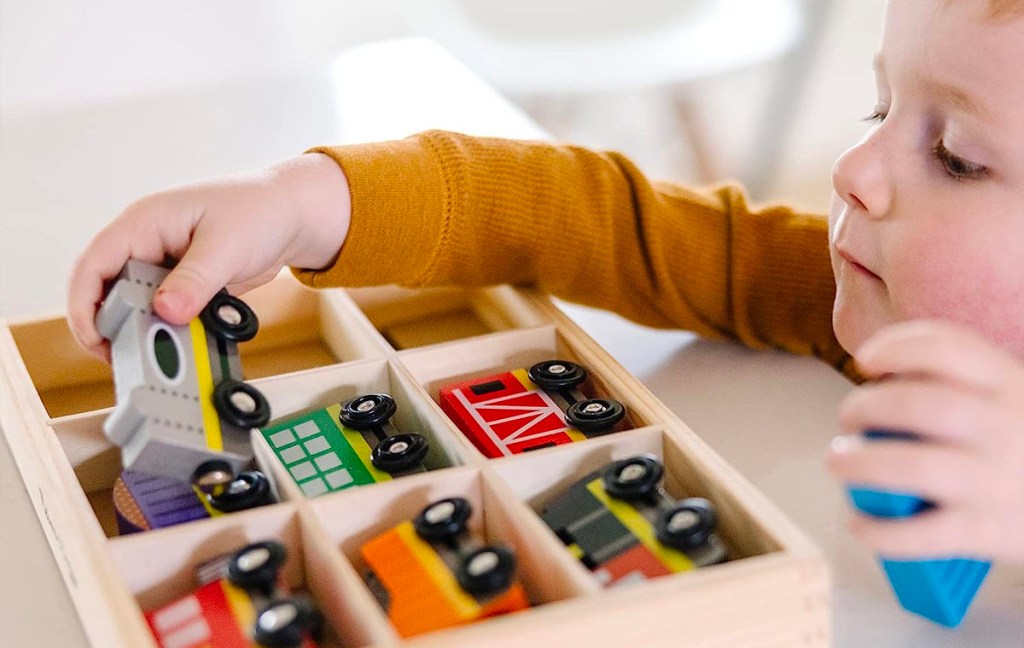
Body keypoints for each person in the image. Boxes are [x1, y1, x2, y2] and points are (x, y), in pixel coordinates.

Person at [67, 0, 1023, 564]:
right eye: (880, 104)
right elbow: (584, 212)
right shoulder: (839, 284)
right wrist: (307, 199)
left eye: (957, 156)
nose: (855, 167)